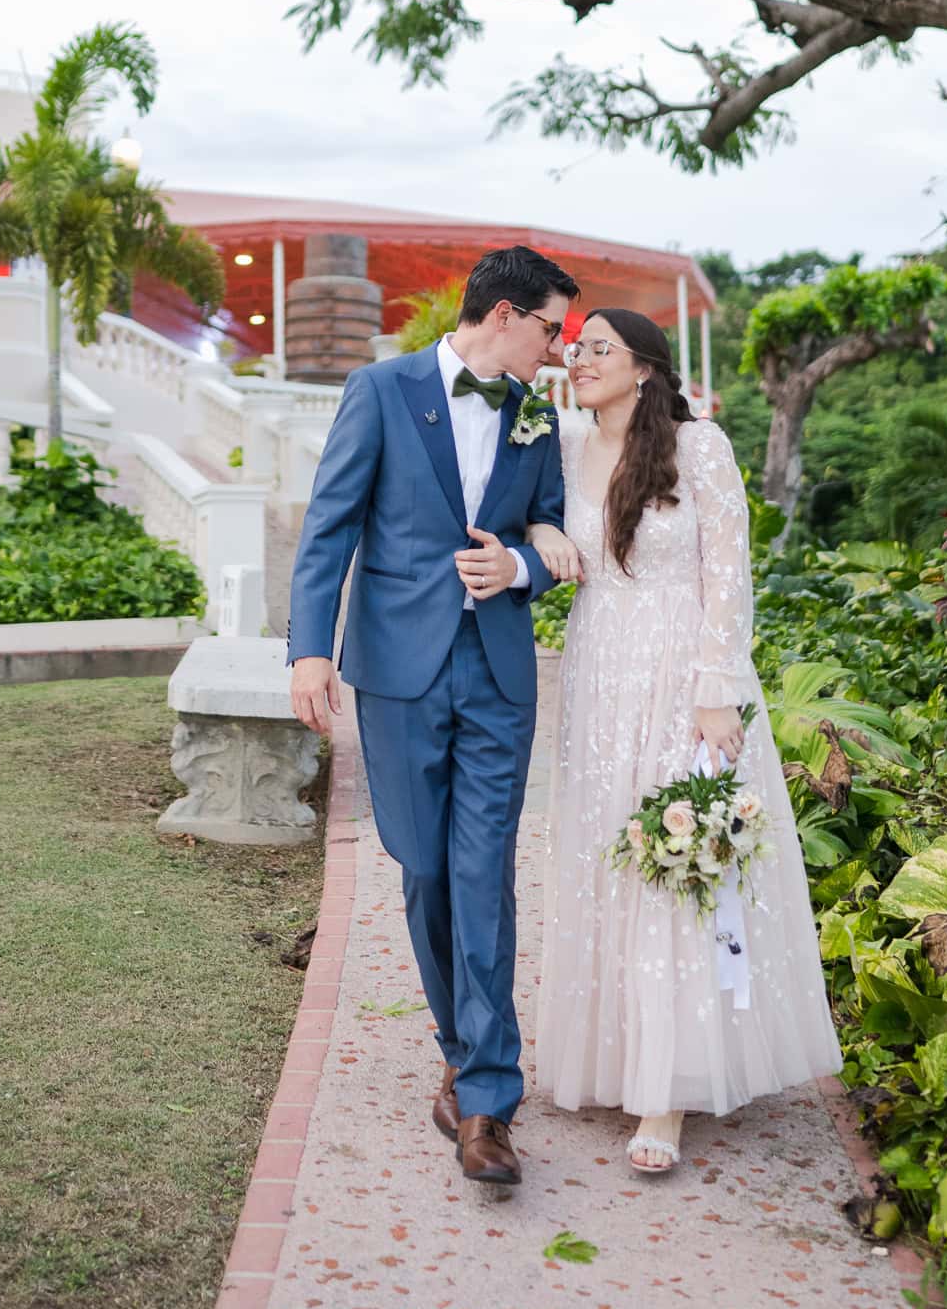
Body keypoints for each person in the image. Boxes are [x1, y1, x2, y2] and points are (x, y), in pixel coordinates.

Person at [287, 245, 580, 1187]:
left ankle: (489, 1098)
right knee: (425, 870)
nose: (558, 349)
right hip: (399, 674)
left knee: (482, 866)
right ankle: (460, 1048)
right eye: (551, 328)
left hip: (496, 670)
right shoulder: (380, 390)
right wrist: (308, 649)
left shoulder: (537, 416)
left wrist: (523, 567)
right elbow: (329, 526)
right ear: (503, 316)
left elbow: (551, 528)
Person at [528, 308, 841, 1173]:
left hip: (680, 679)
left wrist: (717, 692)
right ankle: (618, 1060)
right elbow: (530, 524)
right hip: (598, 679)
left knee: (672, 862)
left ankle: (665, 1097)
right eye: (576, 347)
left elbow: (728, 577)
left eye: (599, 348)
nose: (579, 359)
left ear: (644, 368)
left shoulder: (698, 448)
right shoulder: (559, 448)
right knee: (607, 859)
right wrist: (544, 530)